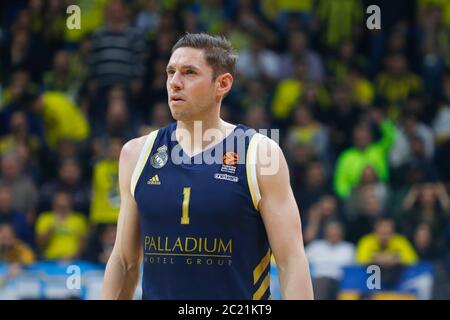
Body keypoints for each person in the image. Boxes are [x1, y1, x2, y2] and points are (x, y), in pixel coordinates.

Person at [102, 33, 313, 300]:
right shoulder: (136, 153)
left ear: (222, 84)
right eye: (170, 72)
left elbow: (291, 260)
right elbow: (124, 260)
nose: (174, 83)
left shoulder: (259, 153)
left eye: (189, 73)